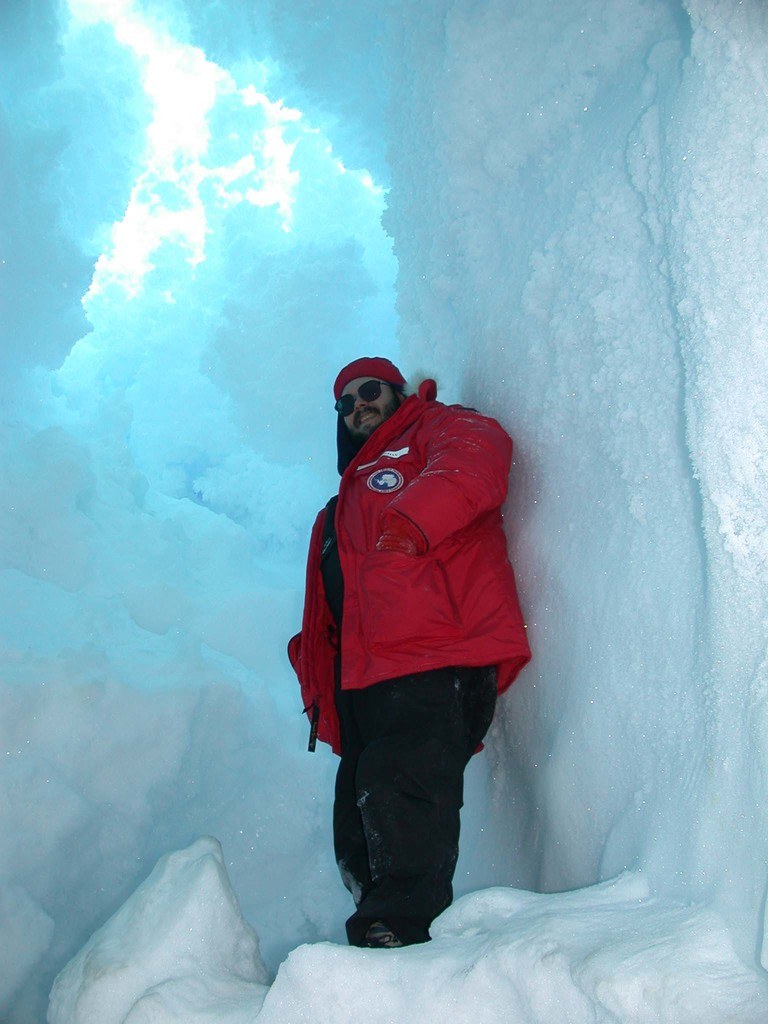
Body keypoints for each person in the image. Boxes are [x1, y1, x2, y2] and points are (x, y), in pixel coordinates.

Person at [288, 356, 530, 949]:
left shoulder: (438, 427)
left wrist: (412, 522)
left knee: (402, 781)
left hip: (436, 650)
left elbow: (482, 459)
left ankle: (401, 926)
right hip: (365, 681)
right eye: (344, 403)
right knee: (357, 813)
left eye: (369, 391)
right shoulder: (338, 509)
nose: (357, 406)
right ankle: (380, 928)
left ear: (398, 391)